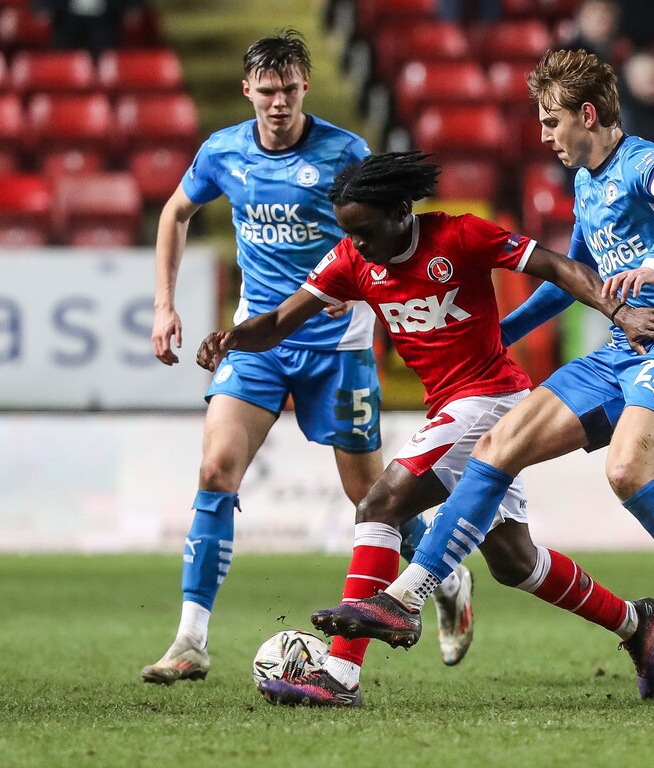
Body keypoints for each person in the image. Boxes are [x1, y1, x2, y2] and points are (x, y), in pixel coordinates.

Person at [318, 50, 654, 699]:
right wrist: (502, 335)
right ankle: (407, 599)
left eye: (552, 121)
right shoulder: (586, 183)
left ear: (589, 114)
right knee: (496, 451)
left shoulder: (638, 162)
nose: (546, 136)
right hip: (618, 351)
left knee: (626, 474)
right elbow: (567, 280)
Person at [195, 151, 654, 707]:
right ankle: (633, 622)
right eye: (348, 234)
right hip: (452, 406)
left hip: (491, 399)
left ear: (402, 210)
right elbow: (282, 321)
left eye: (364, 231)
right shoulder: (352, 261)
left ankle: (340, 674)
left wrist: (617, 311)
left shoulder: (460, 237)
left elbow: (554, 265)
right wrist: (233, 337)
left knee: (380, 505)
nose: (357, 244)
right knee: (514, 561)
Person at [140, 31, 464, 685]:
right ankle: (190, 641)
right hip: (258, 340)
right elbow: (175, 212)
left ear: (305, 87)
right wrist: (164, 306)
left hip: (337, 346)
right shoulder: (222, 152)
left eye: (289, 89)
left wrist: (361, 280)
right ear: (247, 91)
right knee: (214, 469)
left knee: (370, 497)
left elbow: (389, 233)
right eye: (267, 91)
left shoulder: (345, 151)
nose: (278, 102)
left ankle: (446, 573)